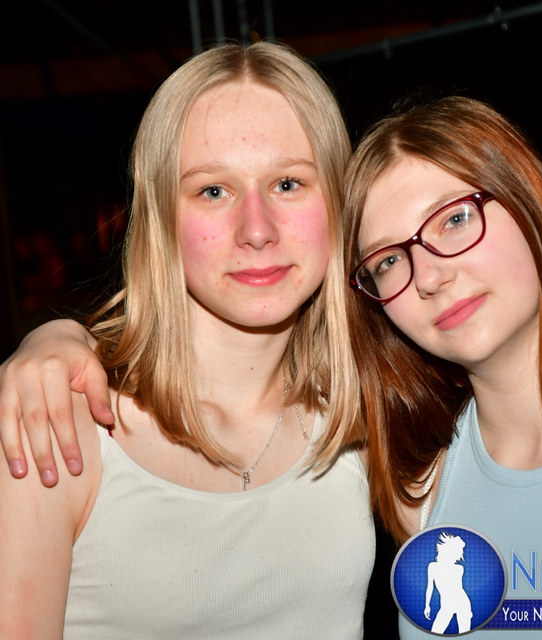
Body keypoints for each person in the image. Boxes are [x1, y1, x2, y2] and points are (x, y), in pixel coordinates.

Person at [0, 42, 375, 639]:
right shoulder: (60, 425)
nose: (257, 230)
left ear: (337, 201)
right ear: (161, 217)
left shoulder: (364, 414)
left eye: (287, 183)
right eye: (213, 191)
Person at [343, 96, 542, 638]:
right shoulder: (420, 491)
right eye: (388, 261)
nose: (428, 277)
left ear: (530, 201)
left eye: (454, 219)